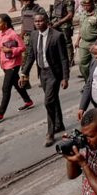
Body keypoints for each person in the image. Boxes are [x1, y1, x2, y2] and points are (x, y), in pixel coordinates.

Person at [20, 13, 69, 146]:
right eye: (36, 21)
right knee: (53, 99)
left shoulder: (57, 36)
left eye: (41, 21)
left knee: (48, 102)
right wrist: (24, 72)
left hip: (54, 73)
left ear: (47, 21)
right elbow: (31, 55)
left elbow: (64, 58)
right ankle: (59, 124)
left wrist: (65, 77)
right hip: (42, 72)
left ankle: (50, 133)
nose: (38, 23)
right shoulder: (34, 35)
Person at [0, 13, 34, 124]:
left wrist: (10, 51)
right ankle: (28, 101)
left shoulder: (12, 34)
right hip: (4, 64)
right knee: (15, 83)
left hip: (13, 64)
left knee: (6, 88)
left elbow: (22, 47)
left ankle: (0, 113)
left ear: (5, 23)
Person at [75, 0, 97, 80]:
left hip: (94, 42)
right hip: (84, 43)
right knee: (82, 63)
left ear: (92, 4)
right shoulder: (83, 14)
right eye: (84, 6)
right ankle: (88, 81)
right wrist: (77, 40)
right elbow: (81, 28)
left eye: (87, 5)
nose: (85, 7)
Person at [51, 0, 76, 65]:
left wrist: (59, 23)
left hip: (65, 24)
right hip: (56, 21)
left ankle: (70, 60)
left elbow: (70, 15)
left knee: (67, 42)